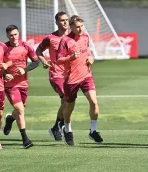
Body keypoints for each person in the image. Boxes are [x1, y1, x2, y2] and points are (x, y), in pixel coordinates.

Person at [57, 15, 103, 146]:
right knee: (69, 107)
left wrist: (91, 58)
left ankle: (93, 131)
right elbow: (58, 60)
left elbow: (88, 51)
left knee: (94, 102)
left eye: (82, 26)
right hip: (71, 79)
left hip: (86, 75)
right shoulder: (65, 40)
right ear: (71, 27)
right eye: (77, 27)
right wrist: (70, 58)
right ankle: (67, 129)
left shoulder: (85, 37)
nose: (80, 29)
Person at [2, 25, 39, 149]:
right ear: (7, 36)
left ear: (19, 34)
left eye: (15, 34)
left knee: (20, 109)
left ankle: (10, 119)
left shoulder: (26, 46)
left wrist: (25, 69)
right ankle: (25, 139)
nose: (14, 37)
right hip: (10, 85)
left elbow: (36, 62)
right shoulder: (3, 48)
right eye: (11, 35)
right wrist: (5, 74)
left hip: (23, 84)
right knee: (20, 110)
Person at [36, 11, 69, 141]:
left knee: (66, 102)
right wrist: (44, 61)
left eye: (67, 19)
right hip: (56, 74)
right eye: (62, 20)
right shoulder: (50, 38)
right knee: (66, 98)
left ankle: (56, 127)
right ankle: (63, 128)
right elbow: (38, 50)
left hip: (70, 75)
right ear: (56, 22)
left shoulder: (73, 37)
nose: (65, 22)